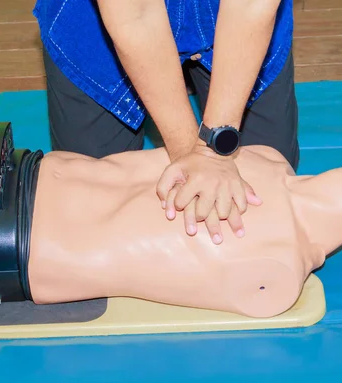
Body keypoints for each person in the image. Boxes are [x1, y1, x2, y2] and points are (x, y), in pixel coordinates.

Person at [26, 139, 342, 318]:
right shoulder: (270, 159)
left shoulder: (276, 269)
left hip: (26, 241)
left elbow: (111, 259)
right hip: (36, 171)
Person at [32, 0, 298, 244]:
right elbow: (137, 14)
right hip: (105, 19)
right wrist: (189, 156)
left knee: (269, 183)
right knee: (89, 207)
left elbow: (249, 5)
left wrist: (213, 152)